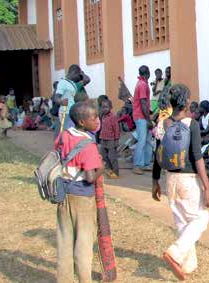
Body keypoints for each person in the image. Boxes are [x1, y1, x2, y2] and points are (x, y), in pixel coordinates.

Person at [152, 84, 209, 280]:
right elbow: (197, 157)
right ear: (187, 102)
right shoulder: (191, 124)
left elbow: (157, 154)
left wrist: (155, 180)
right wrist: (207, 187)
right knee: (200, 218)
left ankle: (188, 265)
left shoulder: (163, 124)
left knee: (182, 221)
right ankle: (175, 253)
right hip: (189, 179)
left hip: (170, 178)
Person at [55, 101, 105, 283]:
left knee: (64, 240)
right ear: (83, 122)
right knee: (84, 243)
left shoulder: (64, 135)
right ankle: (85, 279)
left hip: (63, 192)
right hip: (82, 196)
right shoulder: (88, 144)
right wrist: (103, 168)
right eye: (94, 118)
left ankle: (64, 279)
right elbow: (91, 177)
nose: (98, 121)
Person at [55, 65, 90, 136]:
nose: (79, 78)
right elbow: (56, 98)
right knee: (66, 134)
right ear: (74, 73)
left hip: (73, 112)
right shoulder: (63, 83)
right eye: (78, 75)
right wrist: (61, 101)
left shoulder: (73, 84)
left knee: (73, 134)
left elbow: (87, 80)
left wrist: (81, 73)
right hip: (66, 112)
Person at [132, 65, 153, 175]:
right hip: (141, 117)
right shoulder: (142, 85)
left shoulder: (141, 84)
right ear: (148, 73)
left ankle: (146, 163)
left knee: (148, 140)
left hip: (142, 116)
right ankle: (138, 165)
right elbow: (143, 103)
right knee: (142, 140)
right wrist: (148, 119)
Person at [99, 99, 121, 179]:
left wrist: (116, 140)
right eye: (103, 107)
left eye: (106, 107)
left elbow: (116, 129)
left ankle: (116, 172)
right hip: (103, 139)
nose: (105, 109)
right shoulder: (102, 116)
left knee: (112, 157)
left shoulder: (113, 117)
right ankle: (110, 170)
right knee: (104, 156)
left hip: (111, 140)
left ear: (111, 107)